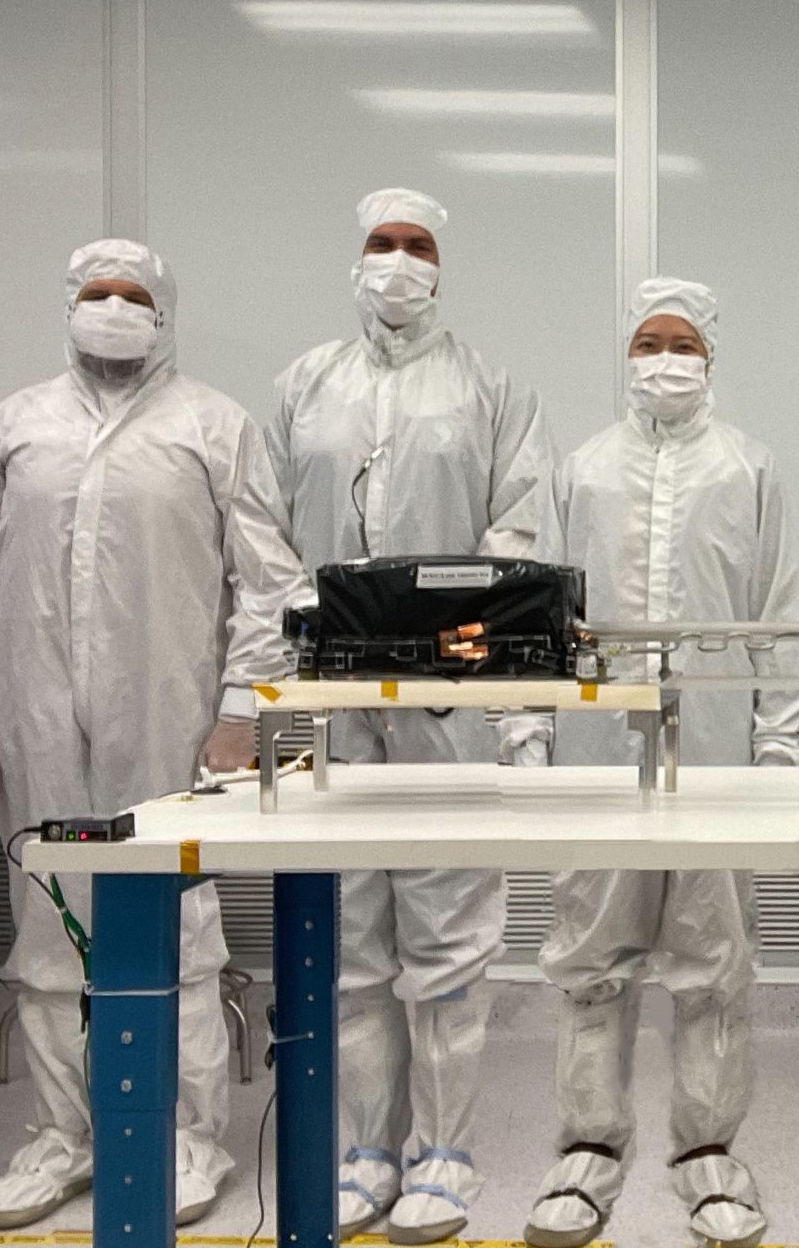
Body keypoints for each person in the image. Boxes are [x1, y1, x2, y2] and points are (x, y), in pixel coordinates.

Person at [0, 239, 307, 1228]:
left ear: (165, 311)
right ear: (67, 304)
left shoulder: (212, 424)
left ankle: (189, 1134)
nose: (113, 307)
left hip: (171, 719)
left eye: (132, 294)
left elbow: (269, 585)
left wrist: (240, 713)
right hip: (30, 718)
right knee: (53, 932)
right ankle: (68, 1135)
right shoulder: (17, 424)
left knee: (177, 930)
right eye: (96, 292)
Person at [268, 188, 556, 1243]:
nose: (397, 262)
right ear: (356, 260)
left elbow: (518, 529)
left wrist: (492, 684)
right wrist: (293, 630)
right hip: (334, 698)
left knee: (444, 943)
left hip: (445, 698)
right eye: (381, 244)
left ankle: (446, 1151)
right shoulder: (306, 383)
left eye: (417, 246)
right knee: (348, 939)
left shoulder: (487, 385)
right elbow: (267, 531)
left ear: (442, 266)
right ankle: (362, 1149)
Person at [519, 278, 799, 1248]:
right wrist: (531, 729)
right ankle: (587, 1151)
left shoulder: (749, 467)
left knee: (712, 958)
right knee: (591, 953)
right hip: (597, 741)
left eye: (682, 341)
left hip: (714, 737)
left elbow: (775, 609)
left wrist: (777, 734)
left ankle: (708, 1154)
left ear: (711, 356)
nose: (666, 356)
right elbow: (542, 615)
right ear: (627, 353)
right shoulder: (583, 469)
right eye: (649, 339)